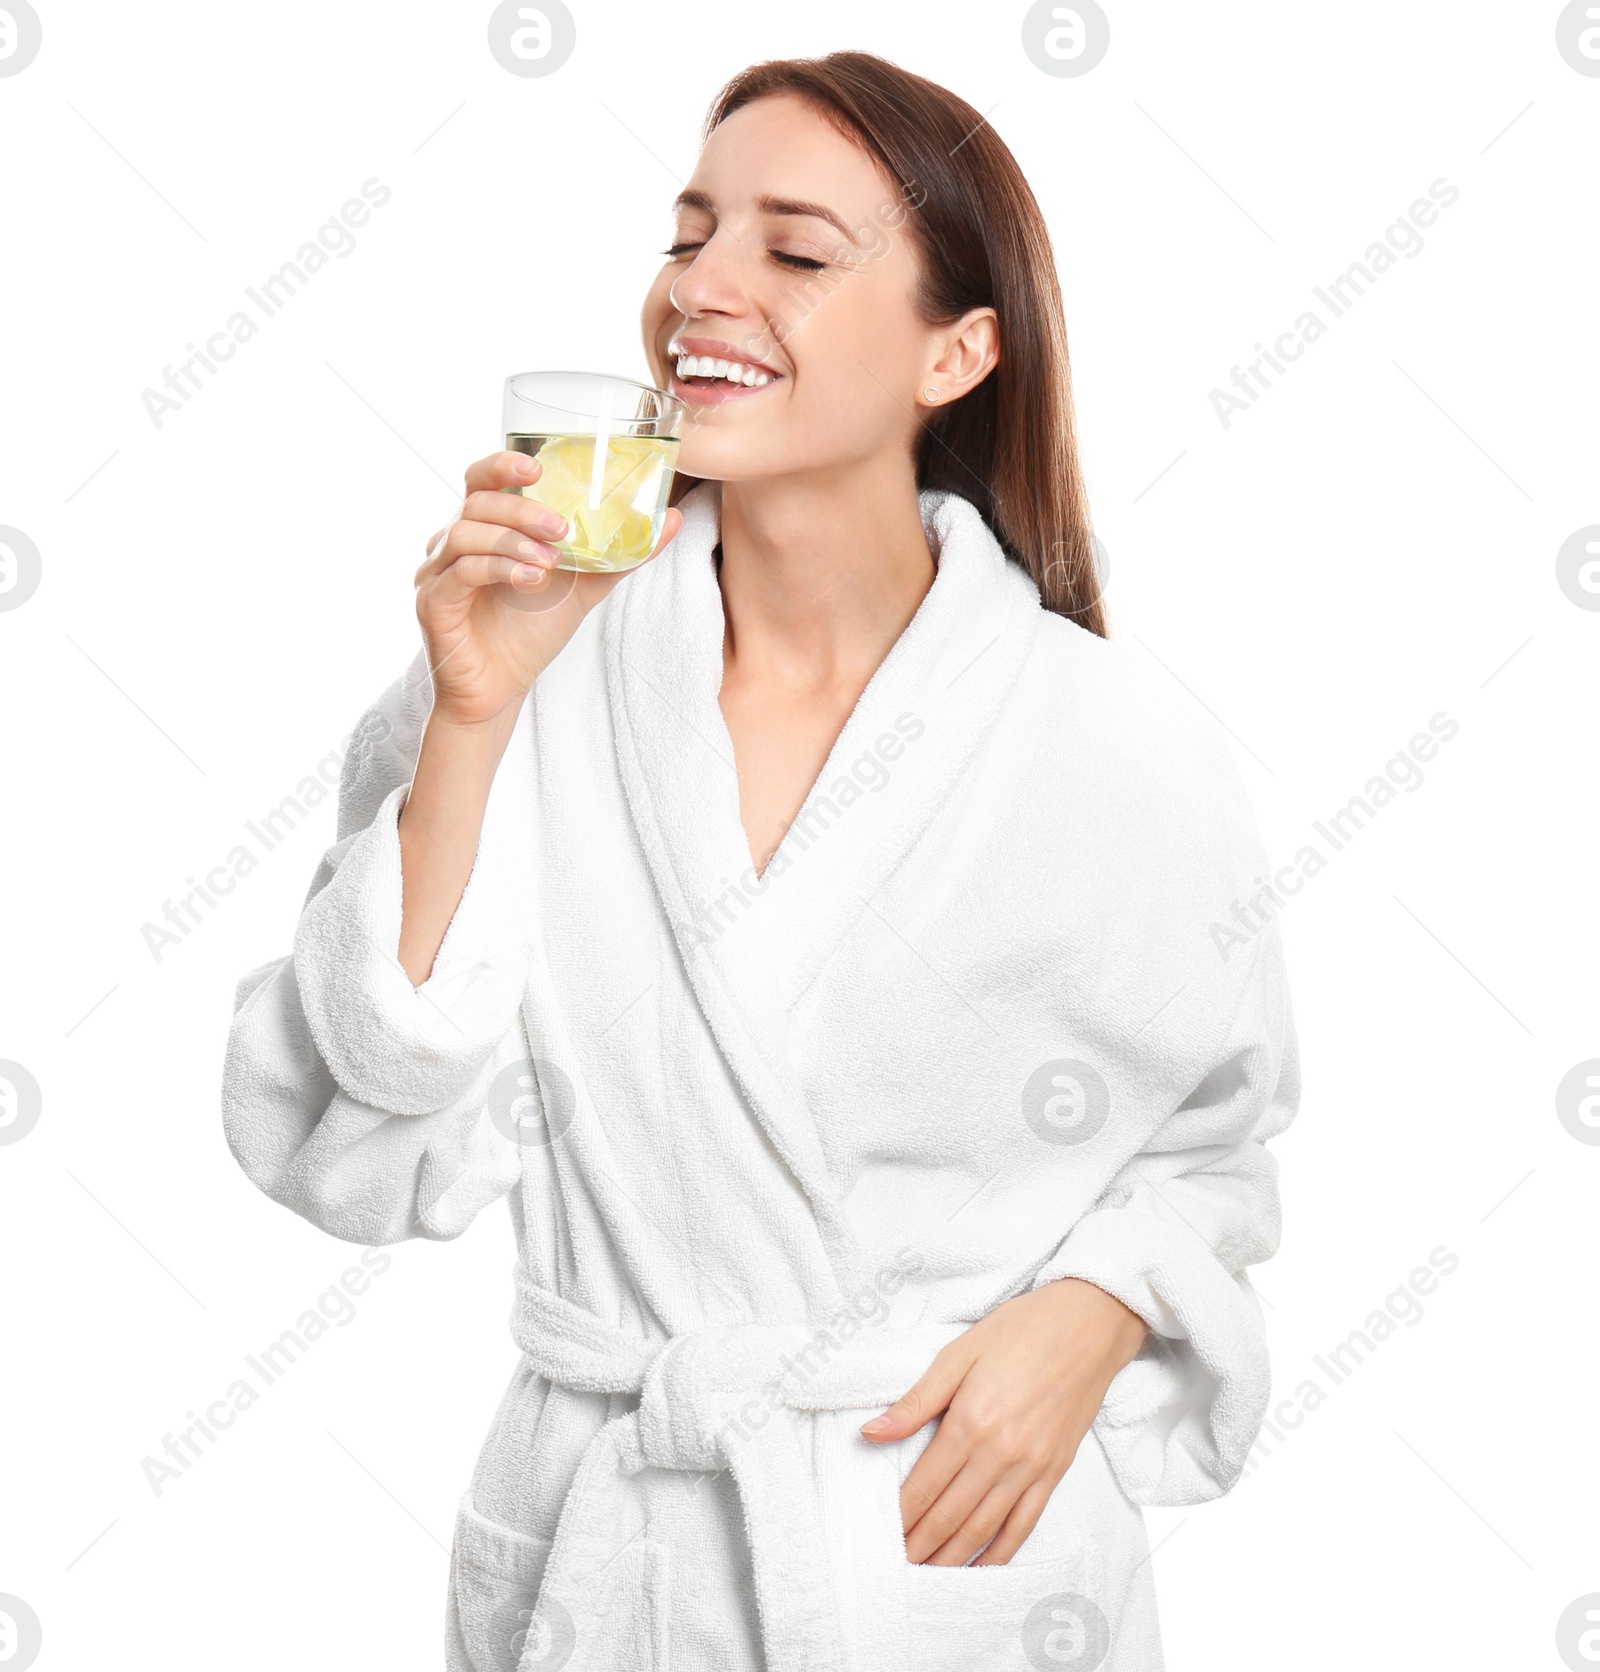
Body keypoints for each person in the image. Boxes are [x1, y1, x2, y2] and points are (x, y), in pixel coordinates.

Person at [222, 50, 1298, 1672]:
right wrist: (471, 711)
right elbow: (351, 1138)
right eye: (688, 234)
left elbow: (1211, 1153)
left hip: (952, 1562)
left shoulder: (1109, 741)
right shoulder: (525, 678)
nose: (700, 291)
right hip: (613, 1558)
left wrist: (1100, 1307)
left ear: (960, 349)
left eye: (795, 253)